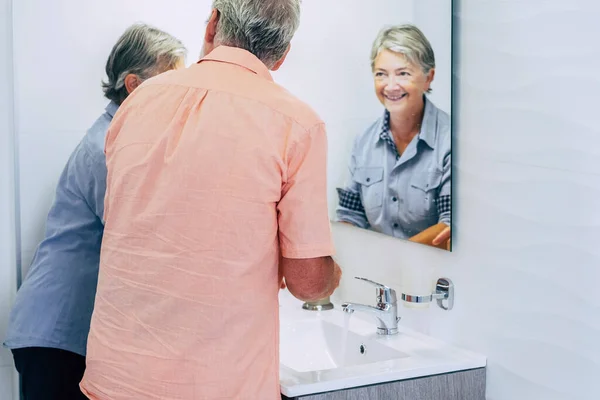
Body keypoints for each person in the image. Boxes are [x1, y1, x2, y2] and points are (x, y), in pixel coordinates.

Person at [79, 1, 342, 399]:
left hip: (115, 376)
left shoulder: (137, 103)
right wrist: (332, 275)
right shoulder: (297, 125)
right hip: (214, 385)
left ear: (213, 24)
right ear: (283, 54)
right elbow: (308, 283)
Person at [3, 23, 187, 400]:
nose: (180, 97)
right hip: (56, 336)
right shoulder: (108, 146)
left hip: (67, 335)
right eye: (170, 85)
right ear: (134, 84)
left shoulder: (124, 139)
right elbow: (140, 240)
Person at [336, 24, 452, 250]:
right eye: (381, 74)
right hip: (374, 271)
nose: (390, 86)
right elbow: (350, 214)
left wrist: (393, 257)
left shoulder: (451, 141)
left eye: (403, 73)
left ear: (429, 78)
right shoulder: (364, 141)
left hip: (433, 274)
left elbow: (450, 225)